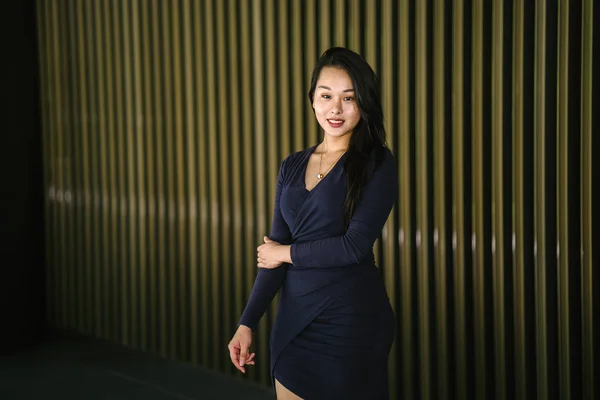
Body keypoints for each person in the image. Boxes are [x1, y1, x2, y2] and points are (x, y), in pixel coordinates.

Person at [227, 47, 398, 399]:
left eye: (348, 98)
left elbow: (353, 247)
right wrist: (247, 322)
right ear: (312, 100)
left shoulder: (377, 163)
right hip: (294, 321)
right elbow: (270, 254)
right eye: (326, 96)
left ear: (363, 102)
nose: (335, 108)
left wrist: (284, 253)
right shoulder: (291, 165)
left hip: (350, 319)